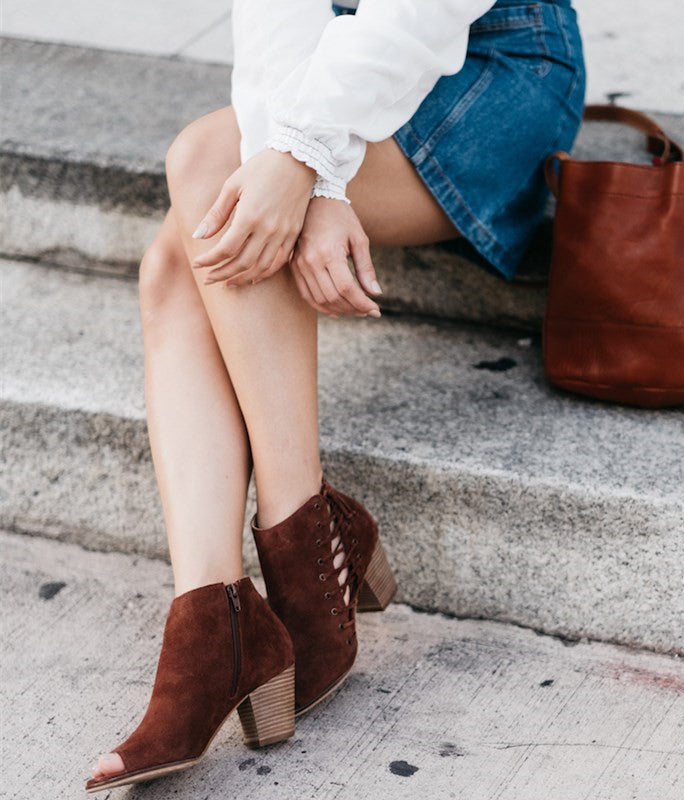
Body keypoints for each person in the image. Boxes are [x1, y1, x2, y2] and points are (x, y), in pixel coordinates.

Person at [86, 0, 585, 791]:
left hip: (493, 64)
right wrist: (301, 164)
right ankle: (214, 616)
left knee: (207, 163)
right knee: (178, 260)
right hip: (334, 68)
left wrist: (307, 160)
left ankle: (300, 566)